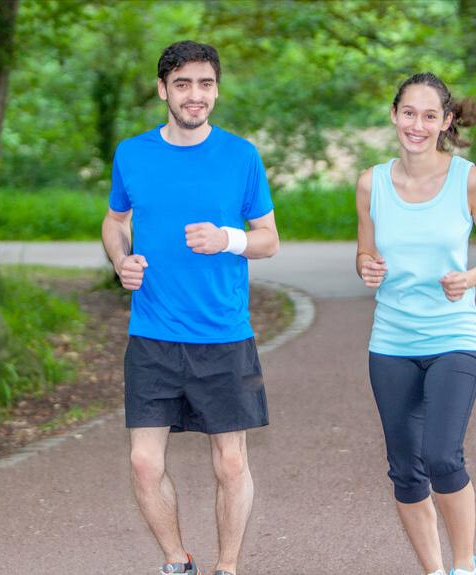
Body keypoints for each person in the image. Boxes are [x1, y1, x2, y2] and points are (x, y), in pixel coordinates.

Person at [101, 40, 280, 575]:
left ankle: (227, 568)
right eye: (183, 84)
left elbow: (268, 240)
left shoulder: (240, 155)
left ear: (216, 90)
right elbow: (115, 221)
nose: (195, 95)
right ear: (163, 91)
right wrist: (121, 260)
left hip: (223, 333)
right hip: (153, 333)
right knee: (142, 461)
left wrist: (228, 239)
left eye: (205, 84)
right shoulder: (132, 154)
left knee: (230, 463)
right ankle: (178, 562)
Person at [355, 72, 476, 575]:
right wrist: (366, 265)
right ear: (394, 115)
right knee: (405, 471)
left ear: (445, 121)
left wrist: (469, 277)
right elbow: (365, 252)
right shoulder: (370, 183)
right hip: (391, 341)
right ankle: (433, 570)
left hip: (453, 336)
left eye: (429, 116)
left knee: (443, 457)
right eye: (409, 113)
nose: (417, 125)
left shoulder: (467, 178)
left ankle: (465, 564)